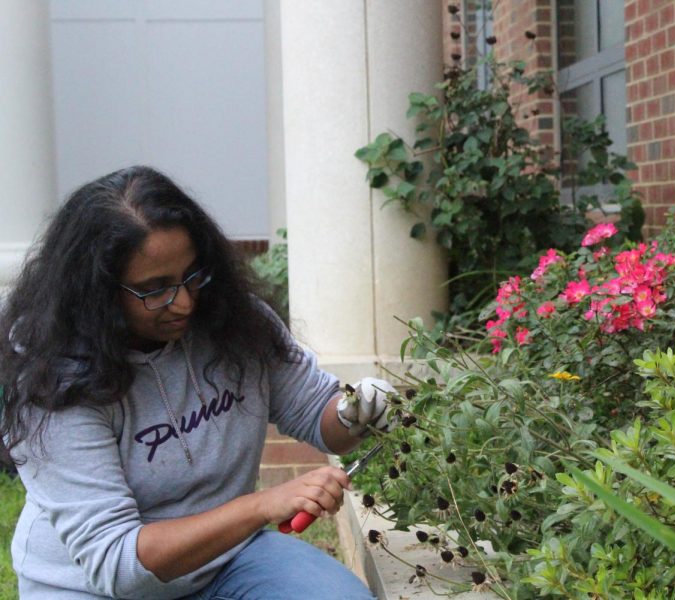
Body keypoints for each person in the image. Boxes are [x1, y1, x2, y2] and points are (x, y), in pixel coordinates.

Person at [0, 166, 393, 599]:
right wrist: (260, 505)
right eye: (156, 289)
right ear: (97, 293)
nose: (184, 302)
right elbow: (119, 565)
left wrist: (353, 411)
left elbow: (315, 412)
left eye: (191, 276)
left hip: (225, 562)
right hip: (93, 589)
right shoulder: (54, 384)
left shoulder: (235, 325)